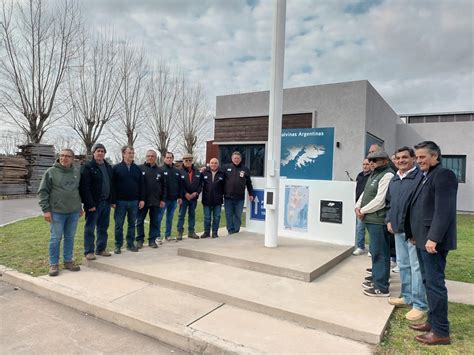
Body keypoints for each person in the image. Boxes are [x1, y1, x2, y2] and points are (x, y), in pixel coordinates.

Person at [406, 141, 458, 346]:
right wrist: (414, 234)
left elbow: (444, 210)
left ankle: (441, 332)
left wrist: (434, 238)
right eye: (417, 157)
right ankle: (432, 321)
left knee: (435, 284)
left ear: (435, 156)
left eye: (422, 157)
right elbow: (419, 208)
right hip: (422, 239)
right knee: (428, 282)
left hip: (432, 242)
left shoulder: (444, 175)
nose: (418, 161)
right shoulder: (425, 175)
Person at [385, 147, 427, 321]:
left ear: (413, 159)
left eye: (405, 157)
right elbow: (389, 203)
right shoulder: (395, 180)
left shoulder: (419, 178)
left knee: (416, 267)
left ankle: (419, 305)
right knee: (403, 265)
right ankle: (407, 296)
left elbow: (423, 206)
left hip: (413, 232)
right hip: (398, 230)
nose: (401, 160)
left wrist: (418, 230)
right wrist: (389, 220)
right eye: (398, 158)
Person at [38, 148, 82, 277]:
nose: (64, 158)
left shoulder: (76, 172)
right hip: (57, 212)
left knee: (70, 237)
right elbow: (43, 192)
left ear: (72, 159)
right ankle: (53, 264)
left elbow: (76, 191)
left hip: (73, 212)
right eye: (62, 155)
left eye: (67, 156)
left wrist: (79, 207)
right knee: (55, 238)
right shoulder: (51, 172)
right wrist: (46, 210)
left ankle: (68, 261)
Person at [355, 150, 394, 297]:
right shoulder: (374, 173)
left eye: (375, 160)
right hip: (370, 218)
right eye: (370, 160)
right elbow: (365, 193)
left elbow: (380, 200)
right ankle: (377, 277)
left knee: (381, 253)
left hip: (378, 220)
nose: (371, 163)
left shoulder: (387, 174)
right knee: (375, 251)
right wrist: (357, 206)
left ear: (385, 161)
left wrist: (363, 210)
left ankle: (381, 287)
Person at [79, 143, 113, 261]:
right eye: (98, 151)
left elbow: (111, 185)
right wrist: (89, 204)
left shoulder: (108, 167)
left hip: (106, 203)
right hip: (94, 204)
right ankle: (89, 251)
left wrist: (111, 200)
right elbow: (84, 187)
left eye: (102, 151)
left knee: (103, 227)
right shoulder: (88, 167)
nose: (100, 153)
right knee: (90, 228)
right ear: (93, 153)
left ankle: (101, 248)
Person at [111, 145, 145, 254]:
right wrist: (113, 201)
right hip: (120, 202)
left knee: (131, 224)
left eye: (132, 153)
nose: (131, 155)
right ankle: (118, 245)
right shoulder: (116, 168)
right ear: (123, 154)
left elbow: (141, 185)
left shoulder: (137, 169)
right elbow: (112, 186)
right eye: (129, 153)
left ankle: (130, 244)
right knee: (119, 225)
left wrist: (142, 199)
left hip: (134, 201)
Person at [136, 149, 166, 249]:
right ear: (146, 157)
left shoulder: (160, 171)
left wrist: (162, 200)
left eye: (152, 156)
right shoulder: (140, 169)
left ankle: (152, 240)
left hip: (155, 201)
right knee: (140, 221)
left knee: (154, 222)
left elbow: (164, 186)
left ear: (155, 158)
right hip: (143, 201)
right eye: (148, 156)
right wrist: (139, 199)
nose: (150, 158)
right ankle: (140, 240)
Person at [223, 151, 254, 235]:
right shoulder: (226, 168)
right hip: (228, 197)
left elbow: (249, 183)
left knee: (238, 215)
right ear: (232, 159)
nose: (236, 160)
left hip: (240, 198)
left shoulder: (245, 169)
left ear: (240, 159)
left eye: (238, 158)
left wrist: (251, 194)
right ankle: (230, 230)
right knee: (228, 215)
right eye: (235, 158)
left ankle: (236, 231)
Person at [158, 152, 182, 243]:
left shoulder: (177, 171)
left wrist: (179, 197)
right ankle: (157, 236)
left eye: (170, 158)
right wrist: (161, 198)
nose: (169, 159)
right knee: (159, 218)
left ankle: (167, 235)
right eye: (167, 158)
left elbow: (180, 185)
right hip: (163, 200)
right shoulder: (160, 169)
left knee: (170, 218)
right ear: (164, 159)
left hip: (173, 199)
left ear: (172, 159)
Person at [177, 153, 201, 240]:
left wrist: (196, 193)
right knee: (181, 215)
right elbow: (179, 185)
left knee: (192, 215)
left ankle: (191, 232)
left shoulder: (197, 171)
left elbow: (200, 185)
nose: (188, 162)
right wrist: (185, 193)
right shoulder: (179, 171)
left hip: (193, 198)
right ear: (183, 161)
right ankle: (179, 232)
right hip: (184, 198)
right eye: (186, 160)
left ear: (192, 161)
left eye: (189, 160)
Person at [200, 158, 225, 238]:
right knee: (207, 218)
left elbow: (225, 186)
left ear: (218, 164)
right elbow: (199, 184)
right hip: (206, 199)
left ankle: (214, 233)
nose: (213, 164)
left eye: (215, 163)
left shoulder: (222, 174)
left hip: (218, 200)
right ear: (209, 164)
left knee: (216, 217)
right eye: (212, 163)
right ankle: (206, 232)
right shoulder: (204, 173)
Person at [353, 158, 371, 255]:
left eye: (367, 164)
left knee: (370, 229)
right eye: (363, 164)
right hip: (359, 206)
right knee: (360, 227)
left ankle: (372, 249)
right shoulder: (359, 175)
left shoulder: (373, 176)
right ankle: (360, 247)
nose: (365, 166)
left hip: (369, 206)